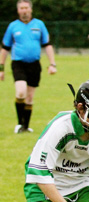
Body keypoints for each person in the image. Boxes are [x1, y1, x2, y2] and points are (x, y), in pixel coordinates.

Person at [0, 0, 57, 134]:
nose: (24, 10)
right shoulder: (13, 26)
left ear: (30, 9)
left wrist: (52, 64)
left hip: (35, 65)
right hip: (18, 64)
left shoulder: (39, 24)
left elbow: (47, 45)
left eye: (26, 7)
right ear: (18, 10)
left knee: (30, 97)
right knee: (21, 92)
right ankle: (20, 124)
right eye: (21, 8)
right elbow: (5, 48)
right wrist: (1, 69)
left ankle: (26, 127)